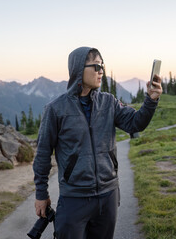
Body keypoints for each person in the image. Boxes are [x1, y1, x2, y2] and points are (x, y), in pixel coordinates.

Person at [33, 46, 162, 239]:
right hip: (74, 199)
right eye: (95, 66)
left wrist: (151, 100)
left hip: (108, 195)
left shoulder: (108, 102)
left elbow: (136, 123)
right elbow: (43, 154)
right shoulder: (55, 109)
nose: (101, 71)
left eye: (102, 66)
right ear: (78, 69)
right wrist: (41, 194)